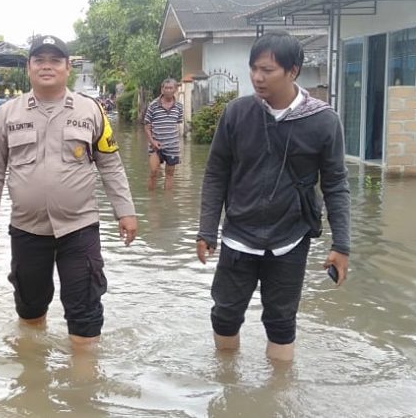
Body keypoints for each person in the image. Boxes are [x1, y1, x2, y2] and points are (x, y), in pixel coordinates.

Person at [196, 31, 350, 362]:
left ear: (293, 71)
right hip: (238, 236)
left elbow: (335, 184)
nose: (257, 77)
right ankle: (226, 381)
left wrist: (341, 245)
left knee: (281, 323)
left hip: (290, 238)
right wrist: (207, 231)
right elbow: (216, 174)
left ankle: (279, 398)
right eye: (253, 68)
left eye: (267, 70)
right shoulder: (236, 114)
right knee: (224, 315)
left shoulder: (323, 121)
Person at [0, 35, 137, 348]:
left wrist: (126, 211)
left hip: (79, 228)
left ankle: (84, 389)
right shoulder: (8, 114)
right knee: (29, 310)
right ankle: (33, 381)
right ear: (29, 68)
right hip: (27, 229)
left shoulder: (91, 111)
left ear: (68, 68)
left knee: (86, 314)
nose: (47, 66)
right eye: (39, 60)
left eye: (55, 60)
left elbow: (111, 165)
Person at [144, 78, 184, 190]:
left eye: (170, 88)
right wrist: (152, 142)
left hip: (172, 147)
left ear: (175, 90)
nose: (168, 90)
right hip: (155, 146)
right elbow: (147, 126)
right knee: (153, 172)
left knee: (170, 175)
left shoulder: (179, 107)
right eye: (165, 88)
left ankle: (167, 202)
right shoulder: (153, 105)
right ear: (162, 89)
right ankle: (152, 202)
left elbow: (177, 124)